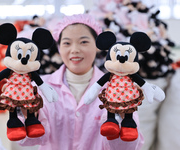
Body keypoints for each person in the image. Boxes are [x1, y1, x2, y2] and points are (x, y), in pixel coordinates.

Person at [19, 14, 144, 150]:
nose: (75, 50)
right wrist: (28, 117)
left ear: (97, 45)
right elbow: (32, 140)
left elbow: (129, 146)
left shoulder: (117, 88)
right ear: (59, 48)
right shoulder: (40, 86)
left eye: (83, 42)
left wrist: (123, 119)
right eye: (67, 43)